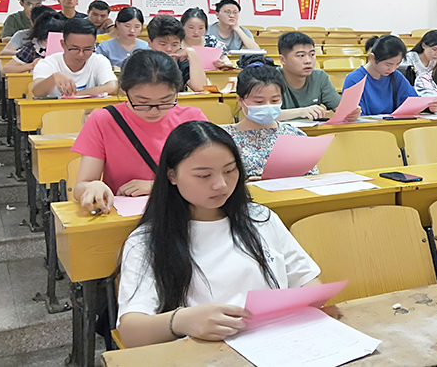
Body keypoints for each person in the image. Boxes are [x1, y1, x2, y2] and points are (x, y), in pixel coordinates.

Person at [116, 121, 321, 348]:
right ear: (172, 176)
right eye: (204, 176)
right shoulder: (146, 241)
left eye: (229, 171)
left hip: (277, 343)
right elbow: (131, 332)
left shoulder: (260, 218)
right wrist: (181, 321)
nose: (221, 184)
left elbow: (307, 280)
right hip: (205, 352)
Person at [71, 49, 208, 212]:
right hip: (124, 216)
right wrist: (93, 186)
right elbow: (81, 187)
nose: (154, 110)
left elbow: (208, 175)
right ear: (124, 90)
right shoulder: (103, 120)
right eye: (142, 102)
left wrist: (156, 186)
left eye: (166, 100)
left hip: (183, 212)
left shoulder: (192, 118)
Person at [222, 57, 317, 179]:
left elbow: (312, 176)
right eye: (259, 102)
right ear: (240, 100)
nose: (268, 106)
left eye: (275, 100)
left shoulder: (294, 135)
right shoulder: (225, 139)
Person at [343, 35, 437, 116]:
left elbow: (414, 102)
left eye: (397, 64)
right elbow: (355, 115)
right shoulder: (354, 79)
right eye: (388, 64)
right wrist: (353, 115)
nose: (392, 69)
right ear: (372, 58)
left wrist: (430, 106)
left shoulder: (395, 76)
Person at [276, 31, 360, 121]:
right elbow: (266, 116)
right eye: (301, 55)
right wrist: (301, 112)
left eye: (312, 54)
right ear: (283, 60)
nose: (308, 61)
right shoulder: (270, 79)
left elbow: (340, 108)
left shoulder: (319, 77)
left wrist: (351, 113)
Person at [32, 18, 118, 97]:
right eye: (74, 49)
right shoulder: (48, 63)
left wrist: (75, 95)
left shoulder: (99, 61)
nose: (81, 54)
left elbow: (112, 87)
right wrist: (53, 78)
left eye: (87, 49)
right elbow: (37, 92)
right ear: (63, 44)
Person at [147, 15, 206, 92]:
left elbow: (200, 88)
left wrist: (191, 53)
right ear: (150, 43)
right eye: (163, 44)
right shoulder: (140, 61)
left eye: (174, 45)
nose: (169, 49)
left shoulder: (181, 61)